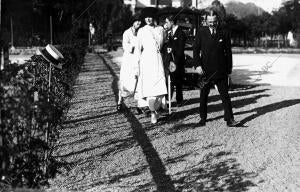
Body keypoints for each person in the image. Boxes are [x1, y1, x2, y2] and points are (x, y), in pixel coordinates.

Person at [193, 10, 239, 127]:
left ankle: (230, 119)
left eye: (214, 21)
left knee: (225, 96)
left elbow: (228, 53)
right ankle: (203, 118)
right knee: (203, 95)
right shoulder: (201, 32)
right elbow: (195, 50)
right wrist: (197, 65)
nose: (212, 24)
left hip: (220, 70)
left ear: (217, 21)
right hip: (205, 70)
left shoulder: (224, 33)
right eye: (209, 22)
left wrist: (228, 70)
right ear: (206, 21)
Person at [134, 8, 168, 124]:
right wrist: (136, 67)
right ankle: (153, 113)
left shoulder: (160, 29)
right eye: (146, 17)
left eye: (150, 17)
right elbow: (137, 50)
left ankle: (157, 109)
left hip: (158, 61)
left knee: (159, 89)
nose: (148, 19)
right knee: (149, 90)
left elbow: (163, 44)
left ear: (154, 18)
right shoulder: (141, 31)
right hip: (146, 61)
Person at [117, 14, 142, 111]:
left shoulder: (141, 32)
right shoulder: (127, 33)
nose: (138, 23)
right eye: (136, 21)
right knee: (125, 81)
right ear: (133, 22)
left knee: (137, 82)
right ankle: (120, 101)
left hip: (137, 60)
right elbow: (125, 45)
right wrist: (133, 46)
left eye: (140, 21)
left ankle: (137, 104)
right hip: (128, 60)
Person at [164, 15, 186, 107]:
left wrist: (175, 62)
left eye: (167, 22)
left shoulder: (180, 33)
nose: (166, 24)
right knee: (171, 80)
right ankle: (168, 99)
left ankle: (179, 100)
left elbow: (180, 49)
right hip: (170, 61)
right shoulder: (169, 33)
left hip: (177, 61)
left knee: (178, 81)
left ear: (172, 22)